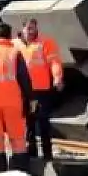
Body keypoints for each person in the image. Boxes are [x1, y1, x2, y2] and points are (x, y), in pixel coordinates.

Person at [0, 22, 33, 173]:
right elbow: (24, 78)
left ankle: (0, 172)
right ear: (9, 36)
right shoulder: (14, 53)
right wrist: (30, 98)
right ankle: (20, 171)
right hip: (12, 102)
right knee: (17, 137)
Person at [17, 18, 64, 163]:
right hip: (25, 91)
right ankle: (31, 155)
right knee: (28, 123)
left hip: (41, 91)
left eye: (33, 28)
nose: (31, 31)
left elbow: (54, 62)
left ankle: (47, 155)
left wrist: (57, 77)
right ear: (23, 29)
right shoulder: (16, 44)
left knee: (43, 123)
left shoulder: (45, 42)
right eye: (28, 28)